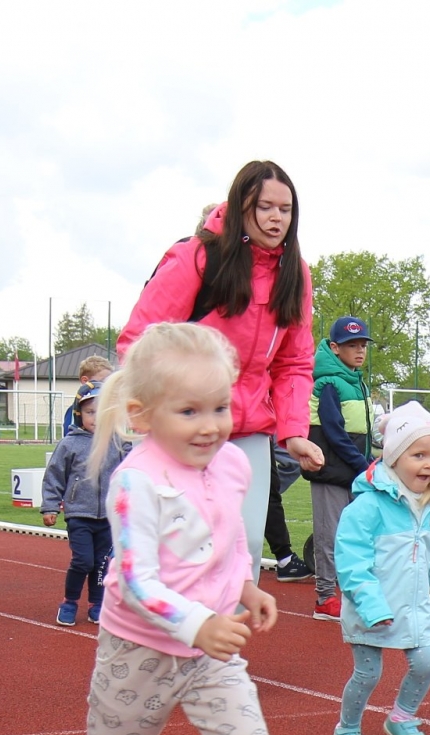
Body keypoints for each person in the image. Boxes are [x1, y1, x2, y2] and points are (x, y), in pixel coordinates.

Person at [39, 323, 288, 735]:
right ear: (143, 415)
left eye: (221, 407)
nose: (212, 425)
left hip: (210, 654)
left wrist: (245, 585)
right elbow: (136, 579)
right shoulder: (135, 482)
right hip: (140, 652)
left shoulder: (231, 465)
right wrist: (198, 623)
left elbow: (224, 541)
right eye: (189, 411)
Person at [118, 160, 324, 582]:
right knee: (181, 546)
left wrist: (295, 431)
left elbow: (295, 361)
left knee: (244, 546)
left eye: (285, 210)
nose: (276, 218)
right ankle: (165, 634)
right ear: (241, 205)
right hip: (185, 423)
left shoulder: (295, 274)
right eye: (265, 206)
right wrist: (169, 405)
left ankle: (220, 646)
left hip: (248, 428)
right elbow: (139, 341)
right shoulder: (197, 257)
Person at [331, 401, 430, 735]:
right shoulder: (366, 507)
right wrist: (371, 606)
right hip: (371, 606)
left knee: (426, 662)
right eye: (418, 454)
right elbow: (351, 562)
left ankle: (402, 717)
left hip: (414, 605)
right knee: (368, 673)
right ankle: (347, 727)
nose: (428, 464)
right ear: (393, 457)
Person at [304, 315, 374, 621]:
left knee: (352, 535)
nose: (359, 351)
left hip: (351, 471)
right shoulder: (329, 382)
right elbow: (334, 431)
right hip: (331, 471)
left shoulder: (357, 382)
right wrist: (364, 465)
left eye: (362, 345)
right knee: (329, 535)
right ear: (334, 348)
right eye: (351, 345)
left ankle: (348, 592)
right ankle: (325, 597)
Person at [41, 379, 126, 625]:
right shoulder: (70, 444)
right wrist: (50, 506)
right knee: (83, 560)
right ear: (79, 414)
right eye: (90, 412)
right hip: (79, 514)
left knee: (101, 564)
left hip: (109, 517)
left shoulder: (120, 443)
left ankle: (97, 603)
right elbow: (54, 475)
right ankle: (69, 601)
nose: (96, 418)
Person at [266, 446, 312, 581]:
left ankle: (285, 558)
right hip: (251, 435)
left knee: (268, 493)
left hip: (262, 433)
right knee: (268, 494)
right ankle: (284, 558)